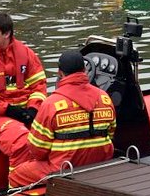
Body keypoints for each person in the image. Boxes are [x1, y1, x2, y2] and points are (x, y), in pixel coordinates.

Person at [8, 50, 116, 195]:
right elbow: (111, 132)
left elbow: (37, 149)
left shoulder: (51, 104)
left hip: (63, 168)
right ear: (84, 70)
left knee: (16, 175)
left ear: (60, 73)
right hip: (100, 163)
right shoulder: (104, 98)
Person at [0, 12, 47, 169]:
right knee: (21, 141)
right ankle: (18, 186)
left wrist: (33, 109)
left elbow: (39, 86)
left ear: (6, 34)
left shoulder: (25, 53)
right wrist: (8, 110)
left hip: (23, 112)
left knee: (50, 133)